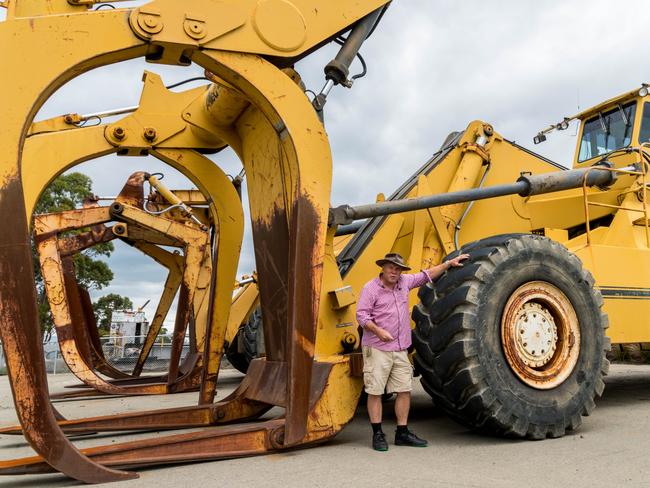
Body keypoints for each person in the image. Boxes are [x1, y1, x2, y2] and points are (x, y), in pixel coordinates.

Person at [356, 252, 469, 451]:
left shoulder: (404, 282)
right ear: (383, 268)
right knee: (375, 391)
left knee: (404, 390)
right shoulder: (371, 288)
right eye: (391, 267)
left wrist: (448, 263)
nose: (394, 271)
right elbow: (362, 316)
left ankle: (402, 432)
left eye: (398, 268)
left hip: (400, 348)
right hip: (377, 348)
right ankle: (378, 434)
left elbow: (426, 275)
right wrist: (378, 331)